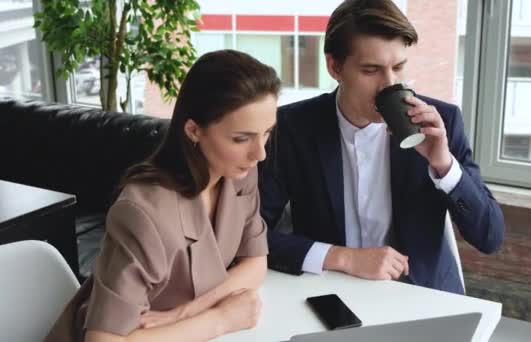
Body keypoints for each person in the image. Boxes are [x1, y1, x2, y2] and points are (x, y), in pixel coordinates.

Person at [259, 0, 505, 295]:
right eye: (371, 70)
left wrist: (444, 164)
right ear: (334, 66)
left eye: (398, 67)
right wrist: (343, 257)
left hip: (423, 296)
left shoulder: (442, 122)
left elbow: (489, 237)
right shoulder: (291, 127)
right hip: (330, 291)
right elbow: (251, 234)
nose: (389, 85)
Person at [46, 49, 280, 341]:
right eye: (241, 138)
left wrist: (186, 313)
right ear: (194, 130)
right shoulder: (142, 214)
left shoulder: (239, 173)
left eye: (267, 132)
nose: (260, 153)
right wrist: (220, 319)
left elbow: (256, 264)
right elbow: (103, 339)